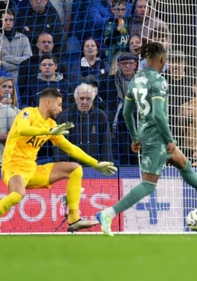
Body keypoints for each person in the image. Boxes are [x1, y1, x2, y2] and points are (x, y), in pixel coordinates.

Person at [95, 42, 197, 237]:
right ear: (162, 60)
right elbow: (158, 114)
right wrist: (169, 139)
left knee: (184, 165)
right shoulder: (159, 81)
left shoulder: (135, 80)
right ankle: (107, 214)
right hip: (157, 137)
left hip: (145, 133)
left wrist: (134, 136)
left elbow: (127, 112)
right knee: (148, 184)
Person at [0, 88, 117, 232]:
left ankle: (74, 219)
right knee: (17, 195)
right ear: (48, 103)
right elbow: (23, 130)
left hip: (33, 169)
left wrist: (96, 164)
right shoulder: (28, 112)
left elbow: (70, 148)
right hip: (13, 166)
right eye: (59, 105)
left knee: (75, 168)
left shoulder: (51, 124)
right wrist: (48, 132)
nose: (61, 109)